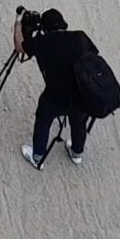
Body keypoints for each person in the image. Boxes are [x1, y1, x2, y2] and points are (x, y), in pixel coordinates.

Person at [15, 9, 99, 168]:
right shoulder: (81, 37)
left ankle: (38, 156)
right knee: (79, 121)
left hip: (56, 97)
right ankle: (76, 153)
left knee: (43, 118)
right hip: (82, 95)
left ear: (45, 28)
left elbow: (20, 47)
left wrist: (18, 23)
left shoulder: (44, 42)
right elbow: (94, 57)